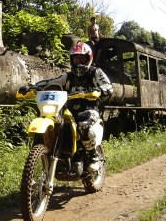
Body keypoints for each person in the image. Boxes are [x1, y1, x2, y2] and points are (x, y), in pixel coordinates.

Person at [21, 41, 113, 171]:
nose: (79, 62)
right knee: (57, 123)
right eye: (76, 58)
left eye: (82, 58)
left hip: (90, 109)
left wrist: (100, 90)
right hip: (69, 110)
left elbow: (108, 86)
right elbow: (50, 82)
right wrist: (32, 86)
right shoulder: (68, 77)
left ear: (88, 59)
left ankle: (93, 156)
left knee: (84, 123)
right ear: (71, 60)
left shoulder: (95, 72)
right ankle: (56, 155)